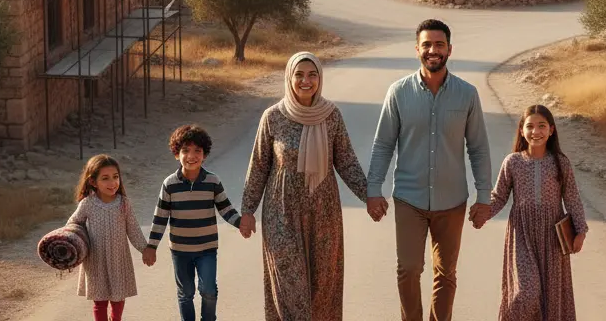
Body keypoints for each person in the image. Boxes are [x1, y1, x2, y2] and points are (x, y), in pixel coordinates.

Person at [367, 18, 492, 321]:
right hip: (409, 198)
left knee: (446, 273)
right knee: (408, 269)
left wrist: (484, 197)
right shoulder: (398, 92)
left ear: (449, 49)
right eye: (426, 45)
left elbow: (478, 147)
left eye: (439, 44)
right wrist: (373, 189)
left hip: (452, 200)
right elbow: (383, 144)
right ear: (417, 49)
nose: (433, 50)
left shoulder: (467, 94)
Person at [239, 51, 368, 321]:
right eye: (299, 75)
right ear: (289, 77)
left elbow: (346, 161)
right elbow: (258, 166)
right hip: (281, 213)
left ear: (320, 78)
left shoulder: (331, 116)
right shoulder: (273, 117)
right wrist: (248, 210)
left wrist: (370, 195)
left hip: (324, 213)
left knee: (323, 287)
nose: (305, 81)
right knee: (290, 285)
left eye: (312, 75)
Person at [471, 104, 588, 321]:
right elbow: (499, 196)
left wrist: (581, 231)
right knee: (527, 293)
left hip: (552, 238)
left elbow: (572, 198)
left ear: (551, 130)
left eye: (542, 126)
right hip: (521, 235)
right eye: (530, 126)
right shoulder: (513, 162)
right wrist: (483, 213)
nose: (536, 131)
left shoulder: (561, 163)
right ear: (521, 130)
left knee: (550, 296)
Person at [143, 125, 244, 321]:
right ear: (176, 154)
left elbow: (225, 209)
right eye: (185, 150)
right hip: (180, 251)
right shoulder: (169, 184)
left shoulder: (212, 181)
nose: (191, 156)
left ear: (204, 154)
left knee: (209, 290)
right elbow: (160, 218)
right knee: (186, 293)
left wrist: (241, 223)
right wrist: (151, 246)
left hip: (207, 248)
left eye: (197, 150)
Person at [67, 154, 151, 321]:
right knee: (99, 301)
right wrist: (70, 242)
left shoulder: (123, 203)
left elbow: (133, 229)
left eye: (115, 177)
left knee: (118, 297)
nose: (112, 183)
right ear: (93, 182)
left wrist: (145, 249)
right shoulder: (88, 203)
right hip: (95, 260)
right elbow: (73, 223)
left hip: (118, 260)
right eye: (105, 178)